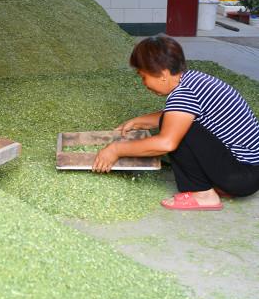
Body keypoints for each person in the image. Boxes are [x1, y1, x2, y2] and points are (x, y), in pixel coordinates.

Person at [92, 35, 259, 210]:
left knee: (174, 134)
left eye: (143, 77)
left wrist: (115, 149)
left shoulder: (184, 94)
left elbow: (166, 143)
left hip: (241, 176)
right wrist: (140, 121)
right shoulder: (193, 79)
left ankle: (202, 194)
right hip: (247, 170)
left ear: (163, 74)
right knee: (171, 123)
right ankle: (216, 184)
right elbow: (178, 115)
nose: (144, 84)